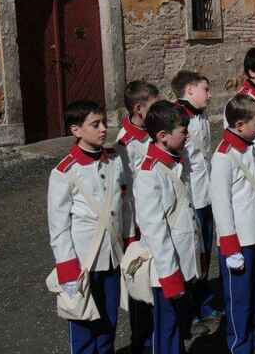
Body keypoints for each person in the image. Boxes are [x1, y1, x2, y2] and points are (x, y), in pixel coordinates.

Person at [47, 100, 131, 354]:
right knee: (83, 324)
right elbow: (59, 226)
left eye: (104, 122)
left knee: (109, 321)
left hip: (112, 255)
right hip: (83, 262)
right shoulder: (64, 172)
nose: (104, 128)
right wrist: (67, 269)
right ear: (76, 130)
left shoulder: (114, 159)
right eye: (95, 124)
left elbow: (124, 205)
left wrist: (129, 242)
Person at [211, 94, 255, 354]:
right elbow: (221, 204)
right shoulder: (223, 157)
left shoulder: (249, 147)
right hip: (238, 242)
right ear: (240, 125)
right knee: (239, 300)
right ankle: (239, 346)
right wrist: (230, 247)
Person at [134, 100, 203, 354]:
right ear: (162, 136)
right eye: (183, 131)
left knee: (179, 325)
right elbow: (155, 231)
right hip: (166, 269)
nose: (188, 135)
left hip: (183, 259)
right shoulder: (149, 173)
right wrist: (170, 275)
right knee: (167, 330)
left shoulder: (176, 161)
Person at [171, 71, 223, 333]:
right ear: (189, 90)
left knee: (203, 253)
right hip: (190, 197)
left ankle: (203, 302)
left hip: (205, 194)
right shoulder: (176, 119)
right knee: (188, 254)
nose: (210, 95)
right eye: (206, 89)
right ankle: (187, 310)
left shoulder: (200, 115)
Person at [116, 80, 159, 353]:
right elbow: (125, 188)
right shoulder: (125, 142)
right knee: (139, 276)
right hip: (136, 220)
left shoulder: (154, 132)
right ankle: (140, 338)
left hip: (154, 215)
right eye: (154, 105)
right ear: (139, 109)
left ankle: (157, 330)